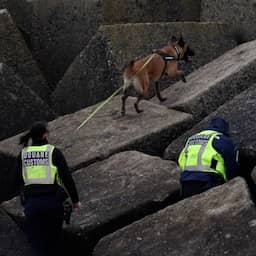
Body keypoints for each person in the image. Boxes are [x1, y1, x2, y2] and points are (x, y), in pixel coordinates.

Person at [15, 121, 81, 256]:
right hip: (52, 203)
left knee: (37, 244)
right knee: (54, 242)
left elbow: (16, 180)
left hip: (32, 205)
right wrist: (75, 201)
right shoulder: (54, 152)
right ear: (45, 135)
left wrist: (24, 197)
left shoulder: (23, 154)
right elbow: (67, 178)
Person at [178, 117, 239, 199]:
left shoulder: (191, 139)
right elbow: (231, 163)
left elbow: (181, 159)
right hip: (209, 180)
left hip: (186, 182)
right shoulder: (221, 139)